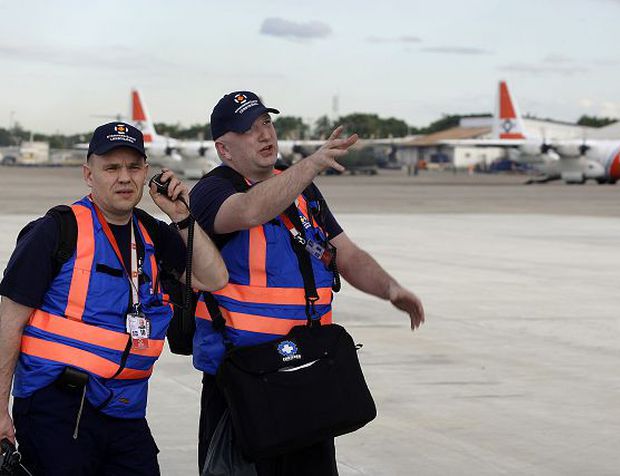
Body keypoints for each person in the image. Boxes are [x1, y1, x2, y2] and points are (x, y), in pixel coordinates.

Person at [190, 91, 425, 475]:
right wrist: (311, 164)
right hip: (244, 384)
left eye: (267, 123)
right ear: (224, 148)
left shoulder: (302, 192)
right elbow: (249, 210)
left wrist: (390, 289)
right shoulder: (212, 191)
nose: (265, 135)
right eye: (248, 130)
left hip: (306, 372)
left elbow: (346, 253)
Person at [0, 121, 228, 475]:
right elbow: (9, 323)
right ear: (89, 174)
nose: (125, 177)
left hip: (125, 409)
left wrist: (182, 215)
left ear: (147, 173)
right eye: (112, 167)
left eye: (133, 167)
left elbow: (214, 279)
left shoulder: (153, 234)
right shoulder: (58, 230)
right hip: (58, 408)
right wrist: (0, 409)